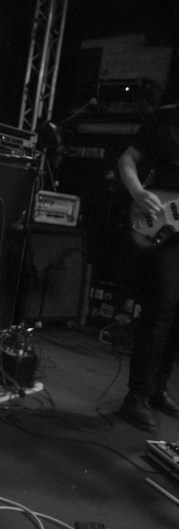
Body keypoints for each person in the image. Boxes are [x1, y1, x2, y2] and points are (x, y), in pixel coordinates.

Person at [117, 101, 179, 432]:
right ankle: (136, 397)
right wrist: (138, 191)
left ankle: (157, 389)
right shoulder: (165, 117)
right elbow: (127, 159)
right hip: (159, 221)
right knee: (160, 310)